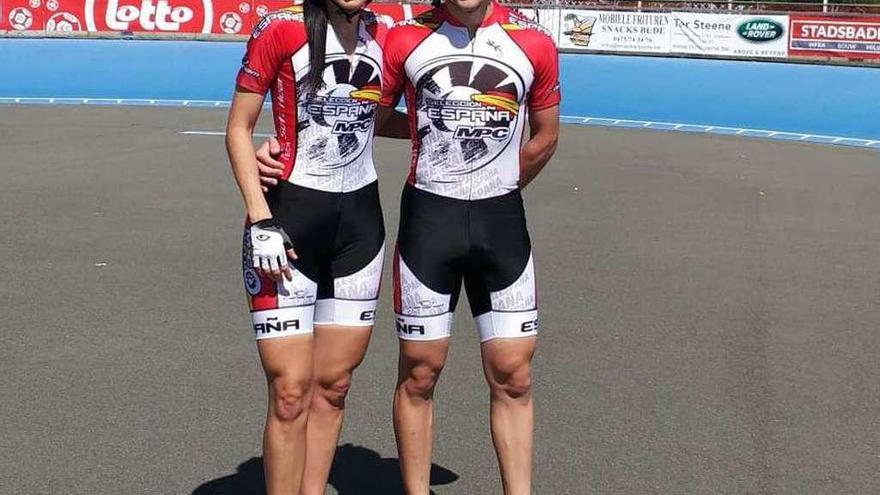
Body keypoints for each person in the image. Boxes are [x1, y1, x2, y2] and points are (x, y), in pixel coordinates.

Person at [256, 1, 560, 492]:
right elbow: (363, 112)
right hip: (428, 223)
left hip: (500, 222)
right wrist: (283, 141)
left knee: (515, 374)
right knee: (420, 372)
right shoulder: (402, 39)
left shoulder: (535, 41)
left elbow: (545, 135)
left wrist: (494, 184)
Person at [225, 1, 406, 493]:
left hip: (360, 230)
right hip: (285, 225)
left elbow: (382, 117)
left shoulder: (386, 35)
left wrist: (440, 126)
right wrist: (261, 215)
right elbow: (238, 128)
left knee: (334, 387)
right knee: (289, 392)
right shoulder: (280, 27)